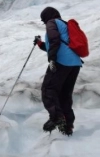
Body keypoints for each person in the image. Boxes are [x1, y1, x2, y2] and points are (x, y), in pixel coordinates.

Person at [34, 7, 83, 136]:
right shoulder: (64, 24)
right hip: (75, 63)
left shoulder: (52, 23)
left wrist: (52, 59)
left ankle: (57, 118)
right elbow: (56, 44)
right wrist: (40, 44)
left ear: (47, 17)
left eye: (43, 20)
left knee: (48, 90)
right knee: (64, 94)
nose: (45, 23)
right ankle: (68, 125)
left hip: (62, 62)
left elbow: (55, 40)